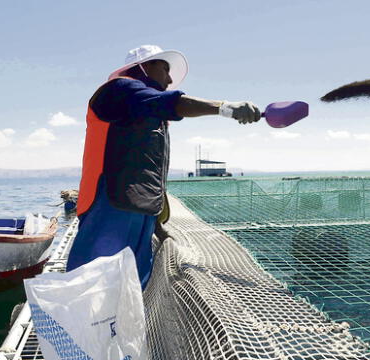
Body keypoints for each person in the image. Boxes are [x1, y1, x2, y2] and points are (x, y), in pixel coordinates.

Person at [66, 45, 261, 289]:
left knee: (133, 287)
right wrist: (225, 108)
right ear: (143, 67)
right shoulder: (118, 89)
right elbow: (171, 102)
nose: (169, 80)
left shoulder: (150, 111)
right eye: (165, 69)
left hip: (140, 210)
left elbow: (149, 169)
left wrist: (156, 223)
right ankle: (75, 327)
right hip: (107, 204)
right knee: (89, 283)